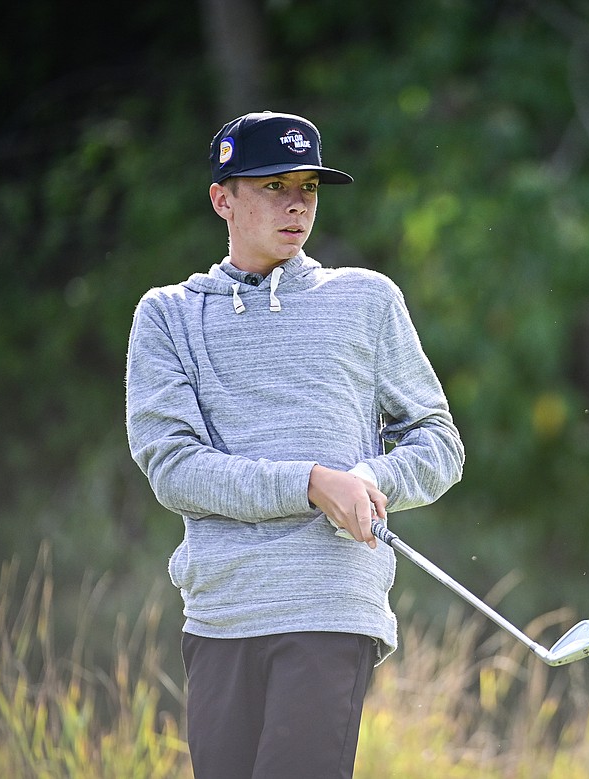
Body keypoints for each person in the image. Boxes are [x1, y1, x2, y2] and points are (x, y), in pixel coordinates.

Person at [124, 111, 464, 778]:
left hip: (328, 604)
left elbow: (438, 442)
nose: (296, 204)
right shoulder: (167, 316)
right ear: (223, 199)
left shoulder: (367, 300)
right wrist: (311, 481)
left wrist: (366, 479)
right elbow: (175, 468)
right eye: (273, 185)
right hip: (221, 612)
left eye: (307, 187)